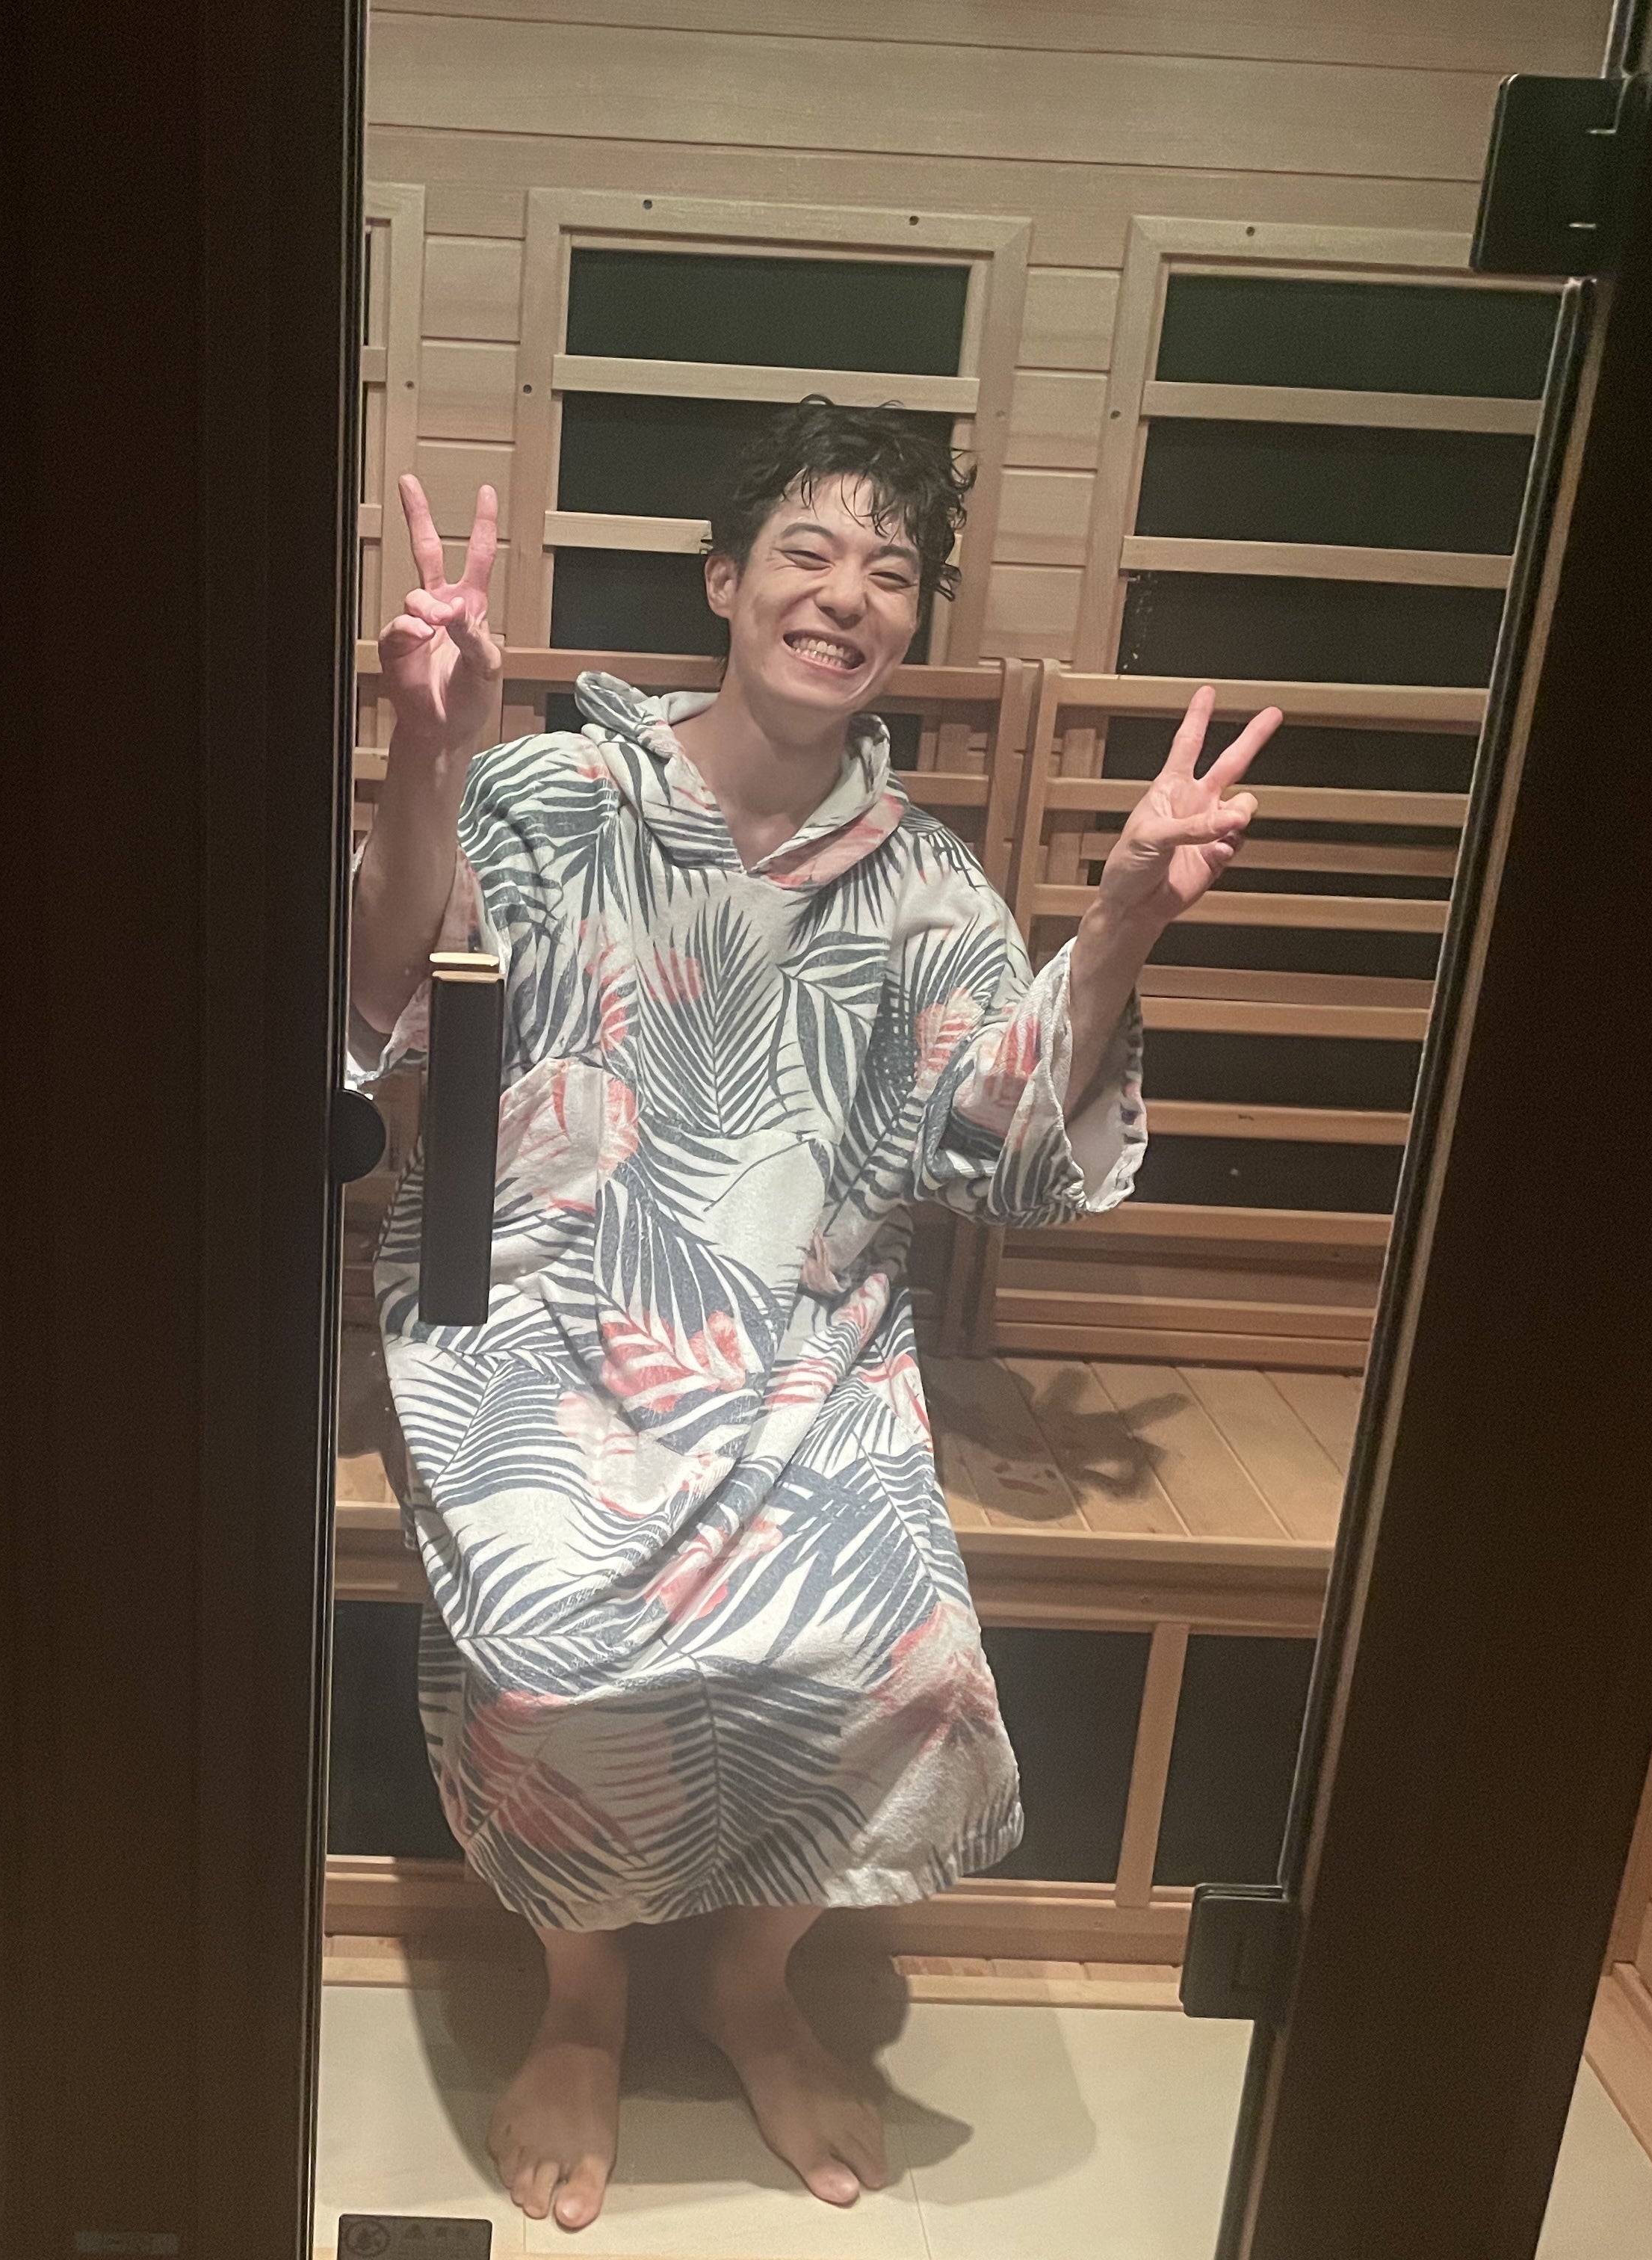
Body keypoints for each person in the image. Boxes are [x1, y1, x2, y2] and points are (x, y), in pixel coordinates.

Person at [346, 399, 1277, 2232]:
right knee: (543, 1648)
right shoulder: (552, 794)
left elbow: (1006, 1149)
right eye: (810, 551)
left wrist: (1122, 922)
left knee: (912, 1659)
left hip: (802, 1340)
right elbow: (383, 1006)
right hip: (533, 1308)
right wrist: (427, 755)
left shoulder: (923, 883)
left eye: (893, 572)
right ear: (726, 581)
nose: (850, 594)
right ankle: (585, 1998)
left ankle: (749, 1981)